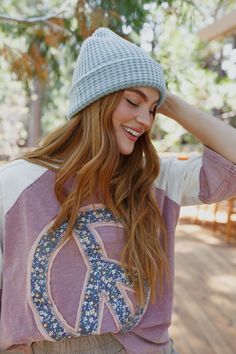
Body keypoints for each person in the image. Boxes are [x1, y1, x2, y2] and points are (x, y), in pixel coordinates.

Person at [0, 27, 236, 354]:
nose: (145, 120)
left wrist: (168, 101)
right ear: (96, 100)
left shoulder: (154, 178)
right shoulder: (15, 184)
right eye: (132, 102)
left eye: (152, 109)